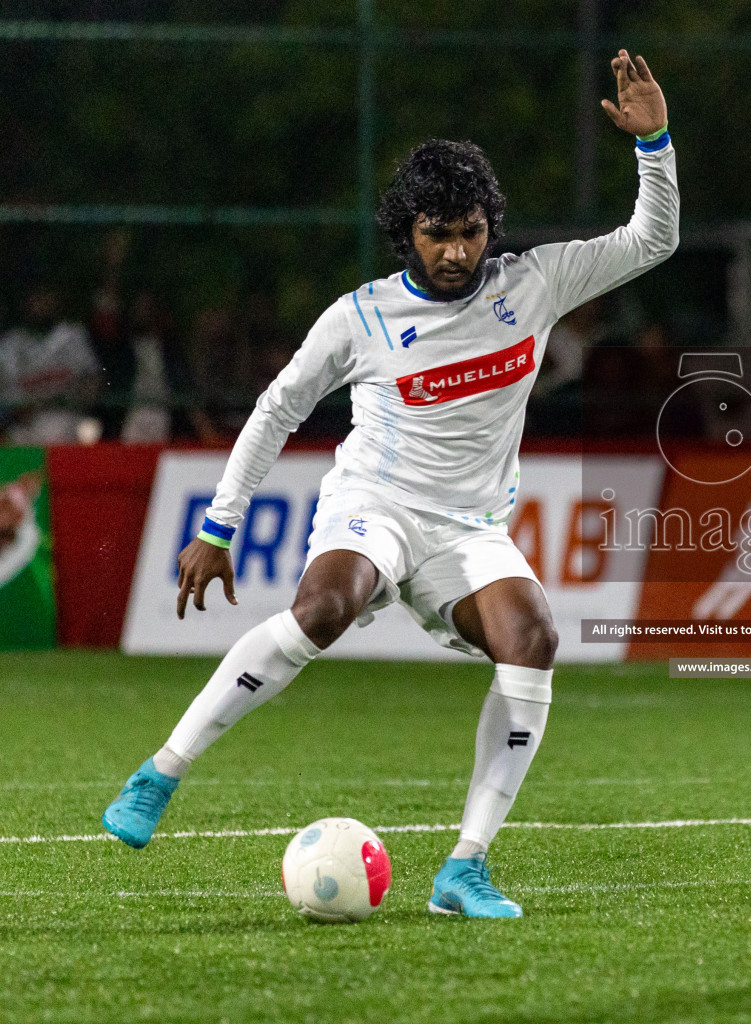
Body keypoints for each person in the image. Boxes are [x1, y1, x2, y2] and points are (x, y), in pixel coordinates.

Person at [100, 50, 678, 918]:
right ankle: (160, 773)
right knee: (326, 609)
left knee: (534, 638)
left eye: (471, 230)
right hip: (375, 505)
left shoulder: (535, 282)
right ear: (405, 232)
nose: (455, 251)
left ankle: (464, 869)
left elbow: (653, 240)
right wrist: (219, 527)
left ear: (492, 225)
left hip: (469, 528)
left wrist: (655, 145)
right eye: (436, 233)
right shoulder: (361, 317)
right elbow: (276, 409)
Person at [0, 288, 101, 445]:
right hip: (20, 428)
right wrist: (10, 414)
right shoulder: (5, 346)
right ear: (25, 303)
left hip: (65, 420)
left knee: (58, 428)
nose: (42, 305)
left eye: (46, 298)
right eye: (36, 299)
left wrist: (83, 397)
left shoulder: (73, 336)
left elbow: (94, 382)